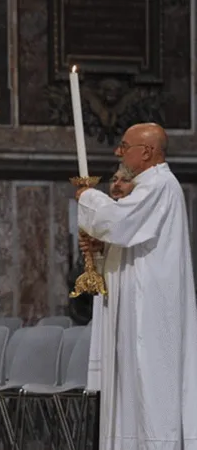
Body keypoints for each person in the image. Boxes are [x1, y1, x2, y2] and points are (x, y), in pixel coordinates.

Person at [77, 123, 197, 449]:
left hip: (152, 312)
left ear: (146, 152)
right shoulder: (147, 187)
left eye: (124, 145)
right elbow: (129, 239)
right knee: (132, 390)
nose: (118, 151)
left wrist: (88, 196)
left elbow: (117, 223)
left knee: (152, 392)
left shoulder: (159, 185)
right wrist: (103, 253)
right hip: (136, 309)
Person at [86, 164, 135, 393]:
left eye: (124, 181)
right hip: (108, 303)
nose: (116, 185)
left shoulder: (136, 220)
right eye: (114, 179)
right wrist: (95, 252)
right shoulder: (110, 224)